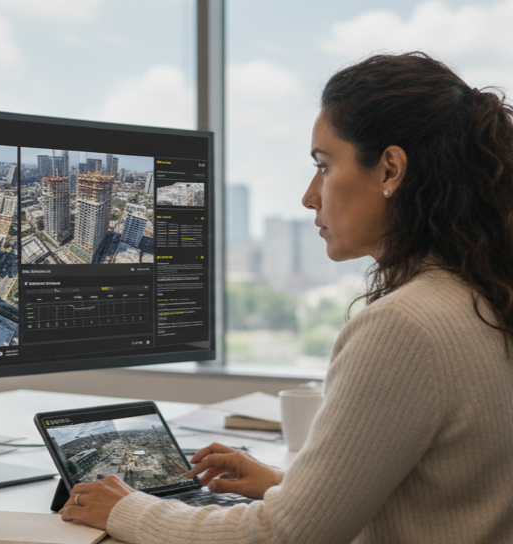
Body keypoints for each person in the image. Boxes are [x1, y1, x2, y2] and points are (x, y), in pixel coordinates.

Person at [59, 52, 513, 543]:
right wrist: (291, 486)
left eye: (323, 166)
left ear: (390, 171)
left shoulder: (406, 325)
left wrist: (126, 510)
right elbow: (447, 497)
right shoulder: (484, 295)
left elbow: (282, 537)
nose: (309, 196)